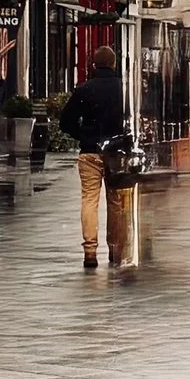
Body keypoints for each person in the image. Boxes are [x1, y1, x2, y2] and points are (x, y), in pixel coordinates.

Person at [63, 57, 128, 270]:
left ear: (94, 65)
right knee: (116, 202)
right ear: (114, 64)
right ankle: (115, 247)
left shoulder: (84, 89)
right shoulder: (123, 89)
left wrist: (83, 135)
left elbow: (66, 121)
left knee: (89, 200)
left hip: (90, 151)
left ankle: (90, 251)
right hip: (116, 152)